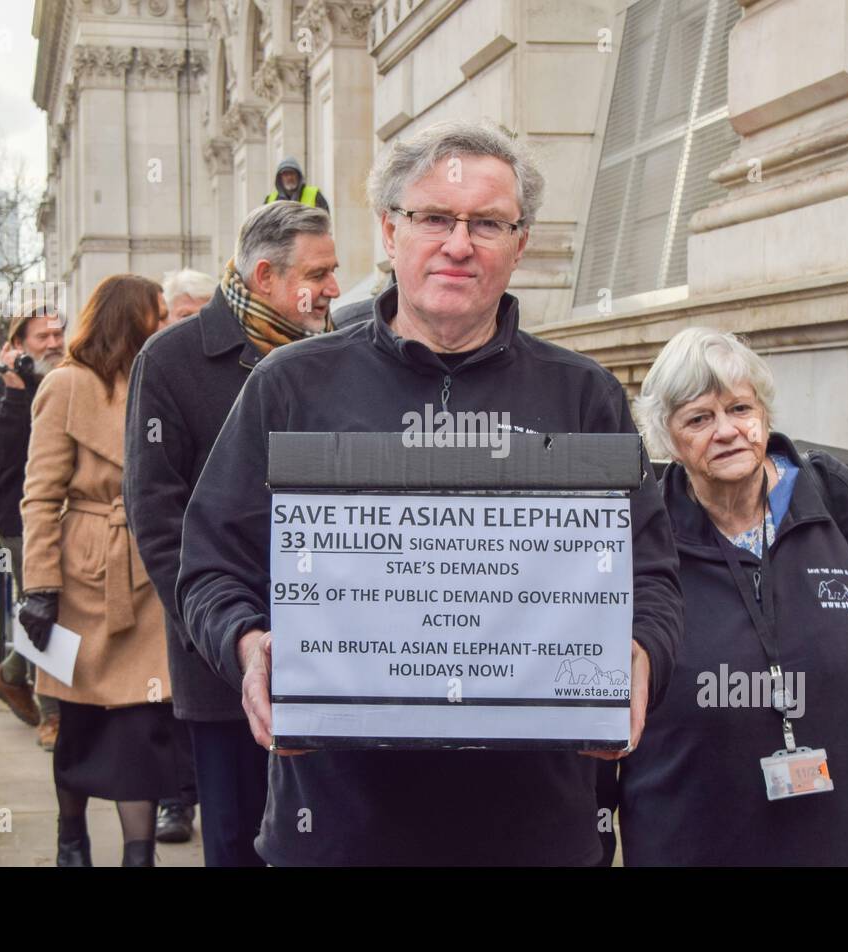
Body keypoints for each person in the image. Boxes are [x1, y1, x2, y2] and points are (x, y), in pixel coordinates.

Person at [177, 120, 683, 866]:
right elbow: (210, 564)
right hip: (342, 828)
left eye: (487, 223)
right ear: (388, 230)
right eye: (435, 218)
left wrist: (641, 655)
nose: (459, 243)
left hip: (534, 830)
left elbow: (655, 581)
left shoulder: (586, 397)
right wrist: (248, 644)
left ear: (522, 242)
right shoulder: (290, 387)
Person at [618, 327, 848, 865]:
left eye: (739, 408)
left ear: (765, 415)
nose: (727, 431)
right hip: (698, 842)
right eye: (699, 419)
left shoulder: (843, 502)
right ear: (667, 439)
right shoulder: (646, 536)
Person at [125, 201, 340, 864]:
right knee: (238, 840)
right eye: (321, 273)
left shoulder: (340, 354)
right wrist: (223, 632)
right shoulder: (170, 360)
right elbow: (158, 518)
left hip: (337, 649)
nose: (335, 288)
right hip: (223, 663)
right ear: (268, 275)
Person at [17, 274, 181, 868]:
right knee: (77, 715)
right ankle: (71, 839)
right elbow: (39, 495)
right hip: (78, 572)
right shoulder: (65, 384)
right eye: (157, 315)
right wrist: (39, 587)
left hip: (146, 571)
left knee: (143, 720)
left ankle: (138, 854)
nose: (166, 325)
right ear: (128, 318)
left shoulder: (160, 380)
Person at [0, 308, 66, 742]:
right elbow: (1, 450)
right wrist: (15, 393)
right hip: (18, 516)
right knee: (42, 606)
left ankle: (9, 673)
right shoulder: (7, 388)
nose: (53, 342)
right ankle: (52, 716)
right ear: (19, 345)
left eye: (57, 333)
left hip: (58, 511)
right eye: (42, 336)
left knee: (58, 607)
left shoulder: (65, 377)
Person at [264, 157, 330, 215]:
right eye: (285, 174)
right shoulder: (270, 200)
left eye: (292, 173)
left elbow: (325, 220)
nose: (289, 177)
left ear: (298, 175)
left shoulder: (314, 195)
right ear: (280, 178)